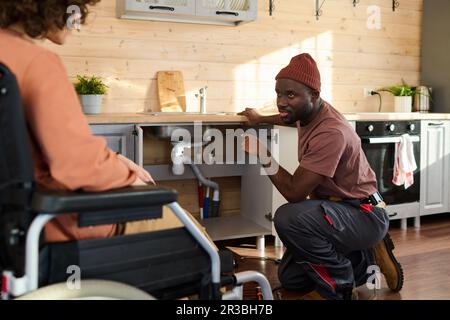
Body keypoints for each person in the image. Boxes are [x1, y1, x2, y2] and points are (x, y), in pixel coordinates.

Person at [0, 0, 205, 243]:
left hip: (11, 224)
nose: (78, 18)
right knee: (196, 236)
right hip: (53, 222)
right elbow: (78, 166)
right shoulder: (37, 63)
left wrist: (115, 159)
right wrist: (130, 176)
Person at [239, 53, 404, 300]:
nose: (281, 102)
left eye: (290, 95)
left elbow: (295, 193)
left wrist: (264, 154)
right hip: (338, 209)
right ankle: (364, 260)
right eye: (279, 94)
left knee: (287, 217)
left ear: (314, 95)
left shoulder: (331, 132)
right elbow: (288, 117)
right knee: (290, 279)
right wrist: (260, 119)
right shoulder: (309, 112)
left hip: (362, 212)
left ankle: (340, 285)